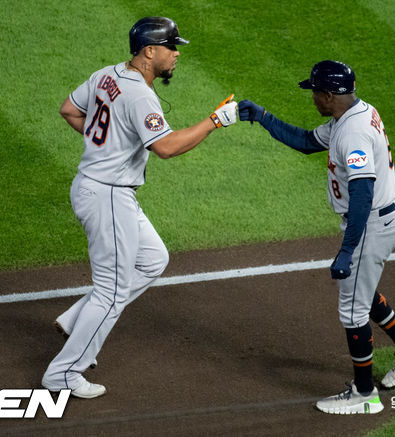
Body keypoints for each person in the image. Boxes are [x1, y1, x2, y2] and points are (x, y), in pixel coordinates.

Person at [42, 16, 238, 399]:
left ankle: (78, 319)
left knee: (152, 259)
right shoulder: (140, 95)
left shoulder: (107, 74)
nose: (177, 54)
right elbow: (164, 147)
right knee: (112, 292)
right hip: (108, 195)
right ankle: (63, 373)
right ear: (150, 51)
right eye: (171, 47)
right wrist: (214, 121)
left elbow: (69, 109)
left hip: (100, 189)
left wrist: (106, 143)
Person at [237, 60, 395, 414]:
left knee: (352, 310)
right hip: (378, 219)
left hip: (370, 223)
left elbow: (362, 193)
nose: (312, 97)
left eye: (314, 92)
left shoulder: (353, 133)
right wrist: (263, 117)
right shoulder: (351, 115)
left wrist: (347, 250)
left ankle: (364, 395)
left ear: (328, 95)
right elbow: (304, 141)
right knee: (364, 291)